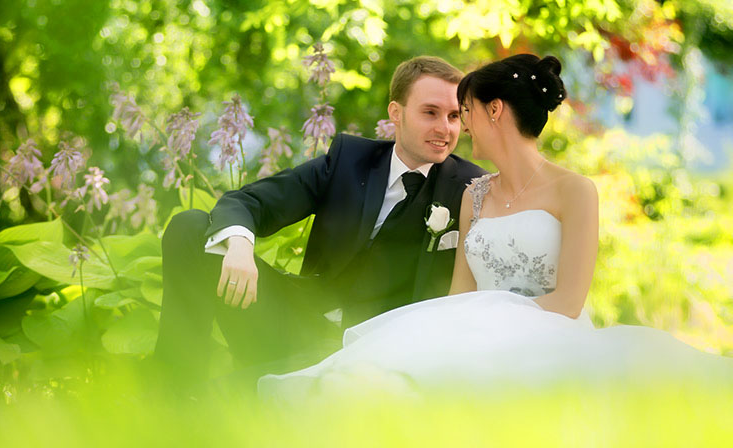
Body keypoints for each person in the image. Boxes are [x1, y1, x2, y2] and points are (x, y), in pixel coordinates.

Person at [258, 54, 733, 402]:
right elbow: (458, 296)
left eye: (464, 111)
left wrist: (489, 324)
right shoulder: (473, 195)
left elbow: (568, 303)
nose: (460, 128)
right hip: (467, 329)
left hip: (550, 338)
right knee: (372, 381)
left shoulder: (576, 191)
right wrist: (451, 332)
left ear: (495, 110)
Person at [155, 56, 487, 392]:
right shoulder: (350, 162)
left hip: (375, 355)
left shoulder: (471, 188)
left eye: (454, 116)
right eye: (430, 112)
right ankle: (173, 389)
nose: (445, 129)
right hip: (293, 323)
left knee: (233, 396)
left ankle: (227, 394)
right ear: (395, 113)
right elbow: (248, 202)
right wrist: (240, 245)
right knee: (190, 228)